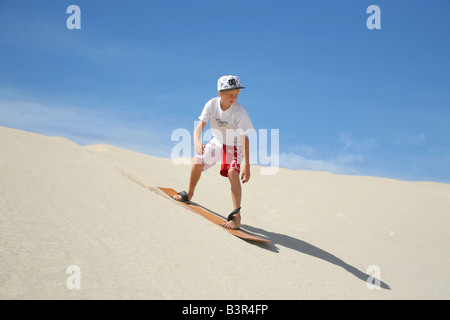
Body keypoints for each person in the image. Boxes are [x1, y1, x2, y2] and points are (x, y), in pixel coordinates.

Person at [173, 75, 254, 229]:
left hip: (234, 145)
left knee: (232, 173)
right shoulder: (211, 104)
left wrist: (247, 166)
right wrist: (197, 142)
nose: (234, 97)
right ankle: (189, 194)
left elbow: (245, 139)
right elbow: (199, 126)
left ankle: (237, 217)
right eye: (230, 93)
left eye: (237, 93)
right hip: (217, 141)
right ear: (220, 93)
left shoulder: (239, 112)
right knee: (197, 161)